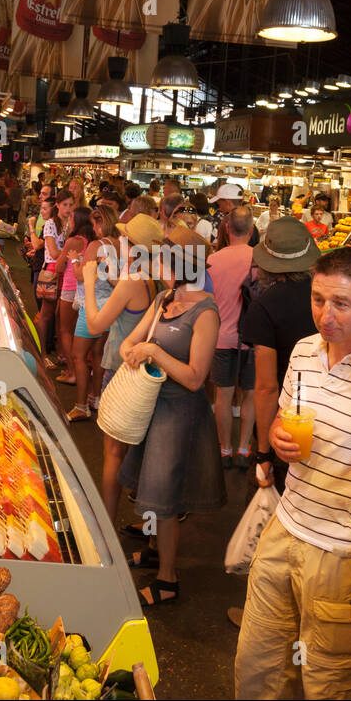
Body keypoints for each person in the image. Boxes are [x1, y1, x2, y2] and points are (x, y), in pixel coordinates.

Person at [234, 248, 351, 699]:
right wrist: (276, 438)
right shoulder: (304, 350)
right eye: (318, 300)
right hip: (287, 525)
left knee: (329, 681)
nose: (325, 315)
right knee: (258, 664)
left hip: (344, 549)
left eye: (341, 303)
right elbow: (283, 417)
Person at [118, 235, 225, 606]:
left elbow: (196, 377)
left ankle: (168, 578)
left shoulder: (205, 312)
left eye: (159, 261)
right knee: (148, 489)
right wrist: (132, 351)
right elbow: (128, 342)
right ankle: (152, 551)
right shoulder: (164, 300)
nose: (151, 267)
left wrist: (153, 352)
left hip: (179, 416)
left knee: (165, 498)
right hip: (151, 406)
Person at [83, 213, 162, 522]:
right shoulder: (151, 277)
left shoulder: (131, 281)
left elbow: (94, 324)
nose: (119, 243)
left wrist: (90, 282)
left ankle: (106, 524)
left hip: (120, 371)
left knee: (113, 455)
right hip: (138, 374)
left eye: (125, 239)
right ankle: (139, 524)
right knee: (128, 454)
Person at [242, 217, 320, 496]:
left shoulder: (264, 307)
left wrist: (263, 454)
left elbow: (266, 387)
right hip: (330, 415)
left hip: (287, 424)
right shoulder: (326, 297)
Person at [208, 207, 258, 467]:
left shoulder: (213, 260)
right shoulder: (260, 260)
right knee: (250, 395)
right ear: (251, 231)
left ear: (227, 229)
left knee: (223, 396)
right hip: (252, 339)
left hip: (220, 338)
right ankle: (243, 449)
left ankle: (224, 449)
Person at [67, 204, 118, 422]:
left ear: (98, 223)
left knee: (79, 355)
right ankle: (96, 398)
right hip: (110, 306)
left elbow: (81, 276)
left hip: (91, 306)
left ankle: (80, 406)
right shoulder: (119, 244)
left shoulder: (96, 245)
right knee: (98, 356)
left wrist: (74, 259)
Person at [34, 190, 74, 368]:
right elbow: (53, 252)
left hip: (68, 271)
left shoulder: (72, 224)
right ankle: (42, 355)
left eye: (71, 205)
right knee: (46, 314)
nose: (68, 208)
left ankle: (62, 354)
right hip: (52, 271)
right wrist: (69, 254)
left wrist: (66, 254)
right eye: (64, 204)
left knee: (62, 315)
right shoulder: (50, 223)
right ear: (57, 205)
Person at [55, 206, 93, 385]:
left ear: (76, 221)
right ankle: (80, 369)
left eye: (71, 219)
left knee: (65, 330)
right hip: (86, 290)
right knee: (79, 333)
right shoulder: (93, 241)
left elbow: (59, 266)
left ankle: (72, 371)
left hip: (70, 289)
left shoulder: (73, 241)